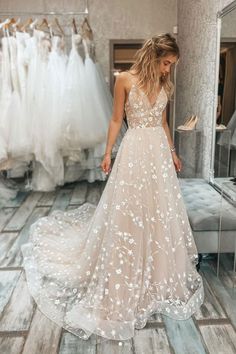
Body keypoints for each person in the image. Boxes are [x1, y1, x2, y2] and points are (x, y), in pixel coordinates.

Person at [21, 33, 204, 343]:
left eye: (172, 65)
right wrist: (108, 153)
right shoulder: (124, 80)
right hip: (134, 151)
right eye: (165, 63)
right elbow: (117, 120)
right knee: (129, 211)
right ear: (152, 56)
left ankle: (159, 271)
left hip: (157, 152)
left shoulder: (163, 84)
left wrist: (172, 151)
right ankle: (126, 265)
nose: (168, 70)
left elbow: (161, 122)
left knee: (160, 211)